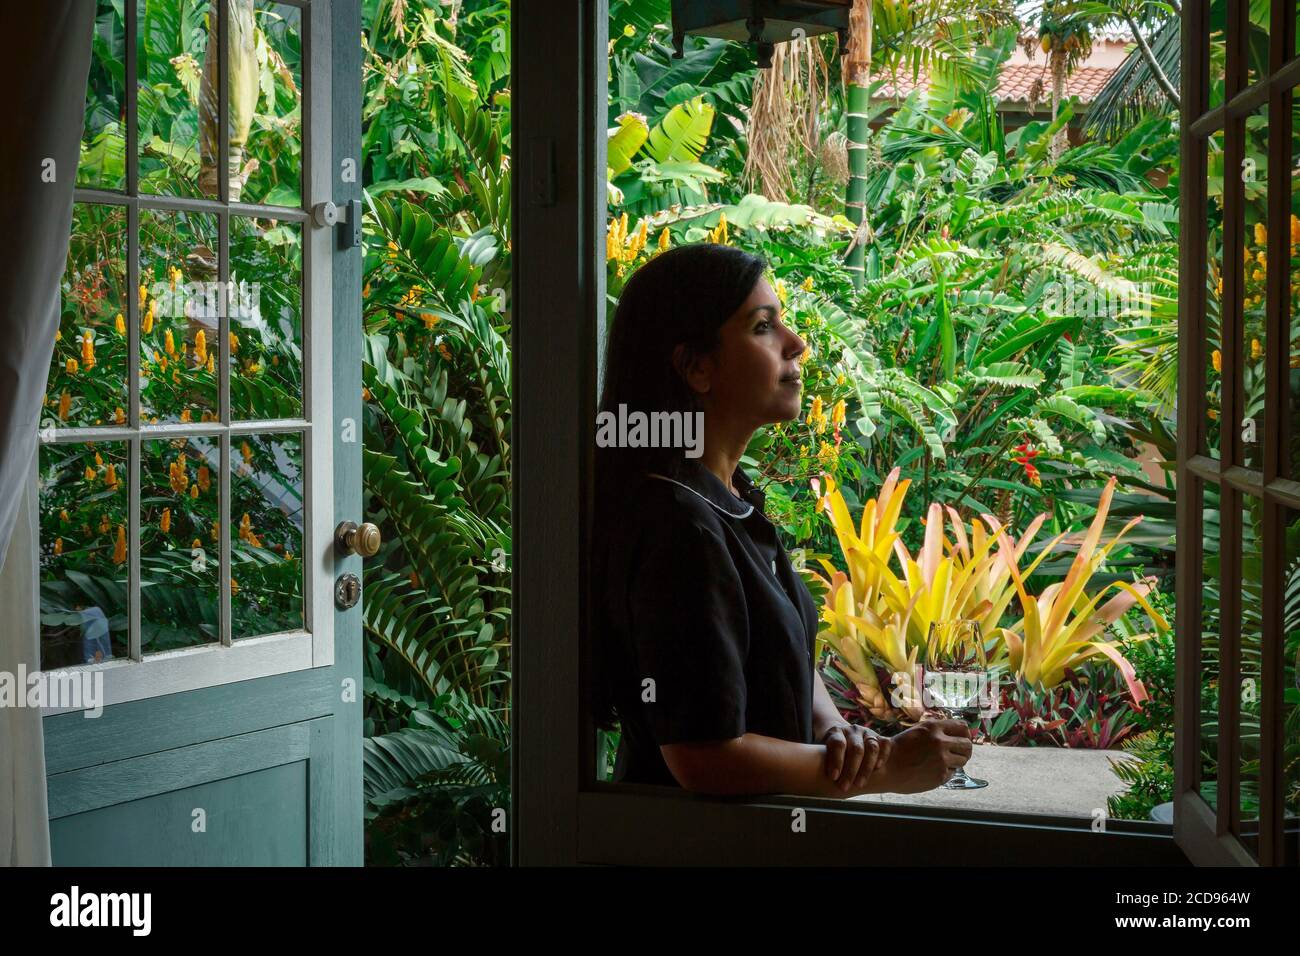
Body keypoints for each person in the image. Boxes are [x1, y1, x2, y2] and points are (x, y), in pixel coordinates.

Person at [592, 242, 972, 798]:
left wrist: (838, 733)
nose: (797, 345)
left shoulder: (727, 498)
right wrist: (888, 767)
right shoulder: (679, 528)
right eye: (763, 327)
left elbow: (781, 651)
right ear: (697, 367)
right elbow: (704, 756)